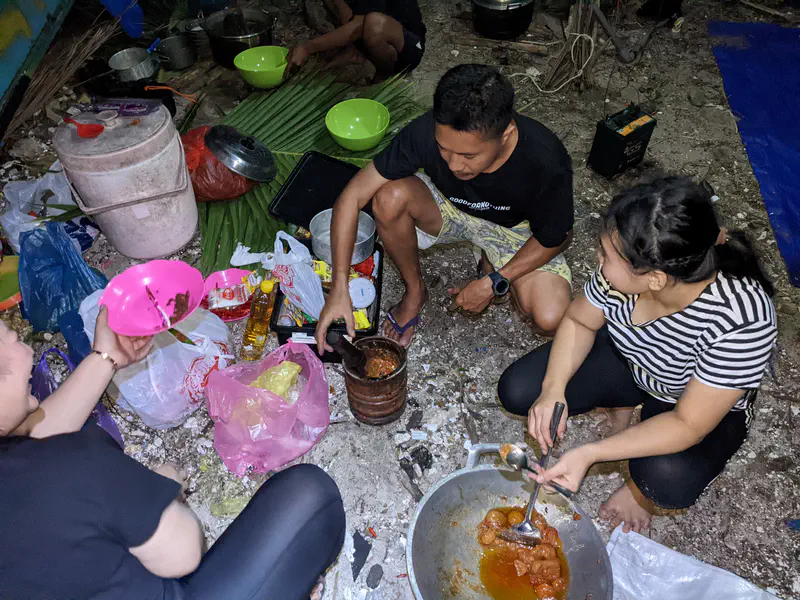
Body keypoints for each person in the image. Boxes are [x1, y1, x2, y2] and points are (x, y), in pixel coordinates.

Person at [0, 307, 345, 600]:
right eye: (8, 349)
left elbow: (32, 439)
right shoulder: (69, 465)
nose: (27, 352)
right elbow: (183, 554)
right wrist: (164, 491)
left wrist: (106, 358)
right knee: (311, 493)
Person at [497, 177, 777, 533]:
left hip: (687, 398)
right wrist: (553, 389)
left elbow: (687, 424)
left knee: (665, 479)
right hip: (634, 361)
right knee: (521, 389)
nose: (598, 261)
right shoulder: (629, 265)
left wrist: (592, 452)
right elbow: (580, 321)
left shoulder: (742, 322)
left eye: (606, 256)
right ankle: (623, 406)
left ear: (655, 279)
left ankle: (635, 492)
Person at [314, 64, 574, 352]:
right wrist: (339, 287)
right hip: (450, 207)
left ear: (506, 133)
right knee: (389, 197)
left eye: (469, 155)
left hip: (514, 230)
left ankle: (491, 262)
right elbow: (351, 196)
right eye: (443, 149)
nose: (454, 165)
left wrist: (495, 281)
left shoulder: (545, 160)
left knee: (550, 318)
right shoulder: (426, 130)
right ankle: (415, 292)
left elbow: (556, 237)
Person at [287, 0, 426, 78]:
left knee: (374, 24)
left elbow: (358, 26)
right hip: (370, 27)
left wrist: (308, 47)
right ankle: (354, 51)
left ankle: (385, 74)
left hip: (409, 45)